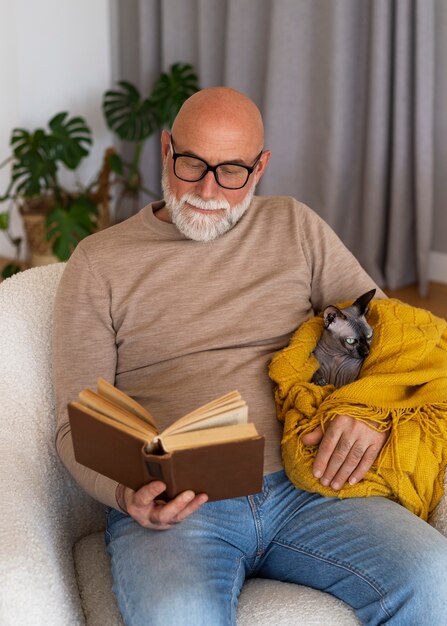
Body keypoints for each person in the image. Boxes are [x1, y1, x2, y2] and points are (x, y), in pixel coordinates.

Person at [53, 87, 447, 626]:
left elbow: (400, 333)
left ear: (260, 167)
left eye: (231, 170)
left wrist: (368, 409)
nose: (208, 189)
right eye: (191, 164)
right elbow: (73, 426)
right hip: (181, 506)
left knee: (431, 575)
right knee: (176, 613)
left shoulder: (295, 226)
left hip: (313, 482)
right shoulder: (99, 263)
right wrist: (127, 495)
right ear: (166, 150)